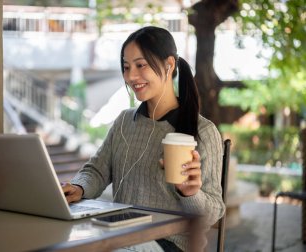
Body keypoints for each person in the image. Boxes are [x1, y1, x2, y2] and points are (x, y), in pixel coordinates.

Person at [62, 26, 225, 251]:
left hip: (171, 244)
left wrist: (191, 193)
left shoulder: (203, 131)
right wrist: (79, 187)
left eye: (141, 65)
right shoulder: (124, 122)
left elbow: (214, 212)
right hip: (123, 235)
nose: (131, 76)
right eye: (126, 67)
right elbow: (97, 171)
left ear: (169, 65)